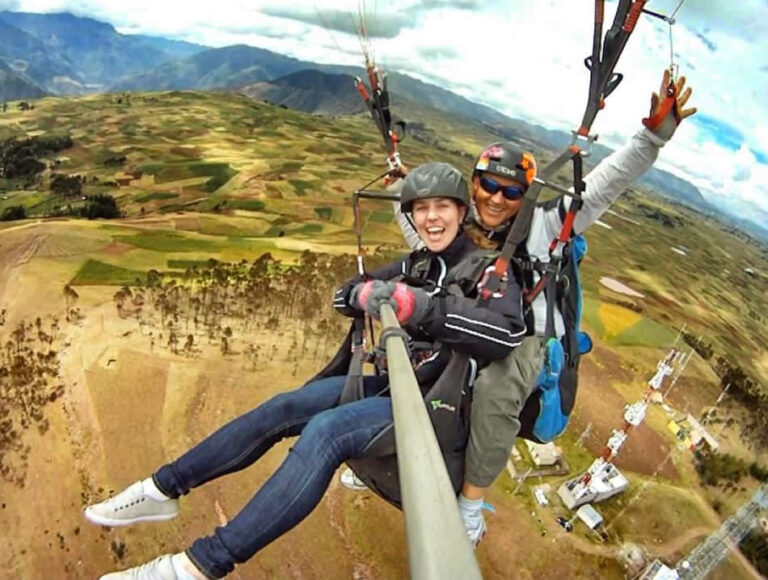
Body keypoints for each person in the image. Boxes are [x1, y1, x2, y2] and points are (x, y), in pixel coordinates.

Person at [83, 162, 526, 579]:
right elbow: (344, 293)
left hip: (434, 411)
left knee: (327, 432)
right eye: (420, 209)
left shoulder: (489, 272)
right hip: (395, 388)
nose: (430, 219)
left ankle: (198, 566)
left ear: (461, 212)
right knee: (285, 406)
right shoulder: (419, 264)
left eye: (441, 208)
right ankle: (162, 489)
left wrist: (420, 307)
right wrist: (362, 294)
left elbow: (504, 334)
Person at [385, 70, 697, 544]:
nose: (497, 198)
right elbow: (421, 240)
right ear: (473, 186)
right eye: (489, 186)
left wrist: (651, 139)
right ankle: (387, 448)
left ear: (526, 196)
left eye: (512, 192)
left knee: (494, 389)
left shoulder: (547, 226)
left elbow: (604, 185)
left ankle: (470, 507)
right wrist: (402, 193)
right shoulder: (461, 225)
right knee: (405, 353)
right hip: (473, 318)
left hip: (524, 335)